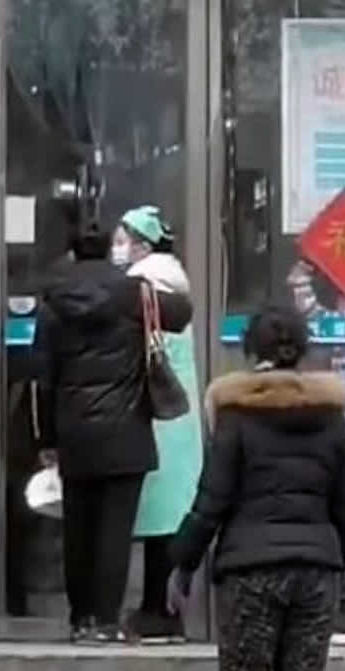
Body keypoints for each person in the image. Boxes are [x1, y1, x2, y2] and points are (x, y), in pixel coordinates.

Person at [168, 305, 345, 671]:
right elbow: (344, 504)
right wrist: (336, 558)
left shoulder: (237, 415)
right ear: (302, 349)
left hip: (248, 571)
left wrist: (183, 564)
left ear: (252, 349)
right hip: (316, 571)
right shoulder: (330, 416)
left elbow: (212, 500)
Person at [32, 225, 192, 643]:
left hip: (74, 432)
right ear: (110, 251)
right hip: (127, 429)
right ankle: (106, 621)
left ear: (72, 254)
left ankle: (80, 617)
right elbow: (182, 313)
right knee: (114, 533)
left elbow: (43, 379)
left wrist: (47, 439)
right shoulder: (133, 293)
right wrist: (147, 283)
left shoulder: (53, 303)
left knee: (77, 529)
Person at [111, 206, 204, 642]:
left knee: (155, 517)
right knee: (167, 519)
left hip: (156, 417)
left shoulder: (146, 287)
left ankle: (155, 610)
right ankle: (162, 607)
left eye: (122, 240)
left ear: (143, 245)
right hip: (176, 419)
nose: (117, 249)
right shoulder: (174, 283)